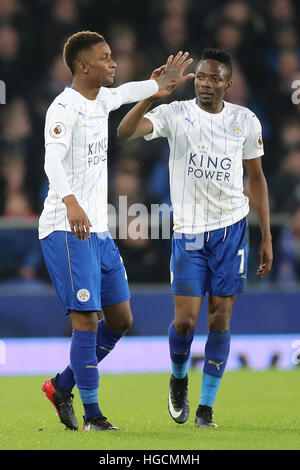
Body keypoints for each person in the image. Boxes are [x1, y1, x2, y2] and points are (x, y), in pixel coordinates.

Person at [39, 30, 193, 432]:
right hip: (65, 227)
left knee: (121, 319)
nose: (113, 63)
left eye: (112, 57)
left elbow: (129, 90)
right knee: (86, 321)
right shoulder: (63, 108)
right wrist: (70, 201)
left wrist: (159, 86)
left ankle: (62, 385)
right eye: (105, 58)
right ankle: (93, 416)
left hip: (98, 231)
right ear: (83, 66)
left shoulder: (102, 99)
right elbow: (51, 160)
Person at [117, 48, 273, 427]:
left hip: (232, 229)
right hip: (188, 232)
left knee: (220, 317)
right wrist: (153, 94)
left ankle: (206, 408)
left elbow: (256, 179)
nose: (206, 84)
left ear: (228, 84)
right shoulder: (176, 113)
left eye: (214, 78)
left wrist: (265, 235)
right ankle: (178, 377)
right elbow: (125, 132)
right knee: (186, 322)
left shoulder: (245, 122)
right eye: (201, 77)